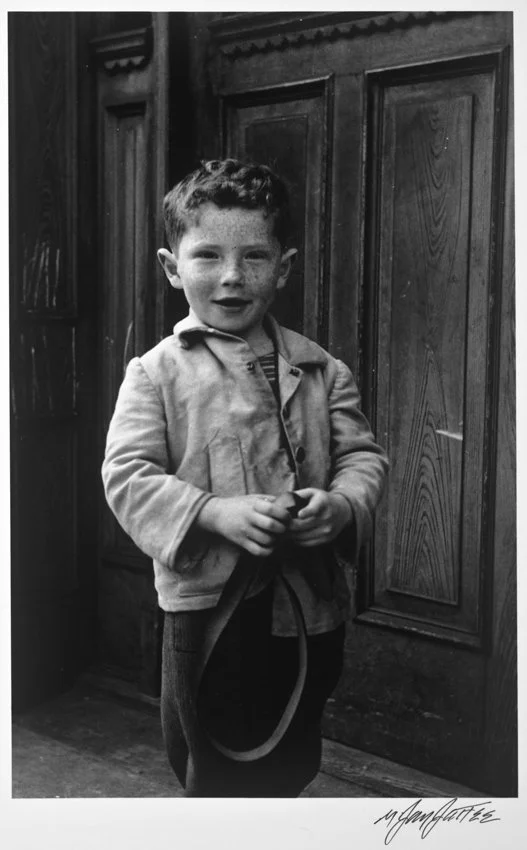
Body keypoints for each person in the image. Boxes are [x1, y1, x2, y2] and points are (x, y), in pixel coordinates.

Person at [102, 158, 388, 797]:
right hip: (209, 611)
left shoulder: (322, 370)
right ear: (173, 268)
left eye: (254, 257)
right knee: (212, 755)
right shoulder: (156, 374)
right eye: (207, 256)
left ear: (282, 268)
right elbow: (126, 475)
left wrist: (341, 507)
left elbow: (363, 460)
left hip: (308, 605)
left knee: (292, 748)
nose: (232, 277)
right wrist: (211, 513)